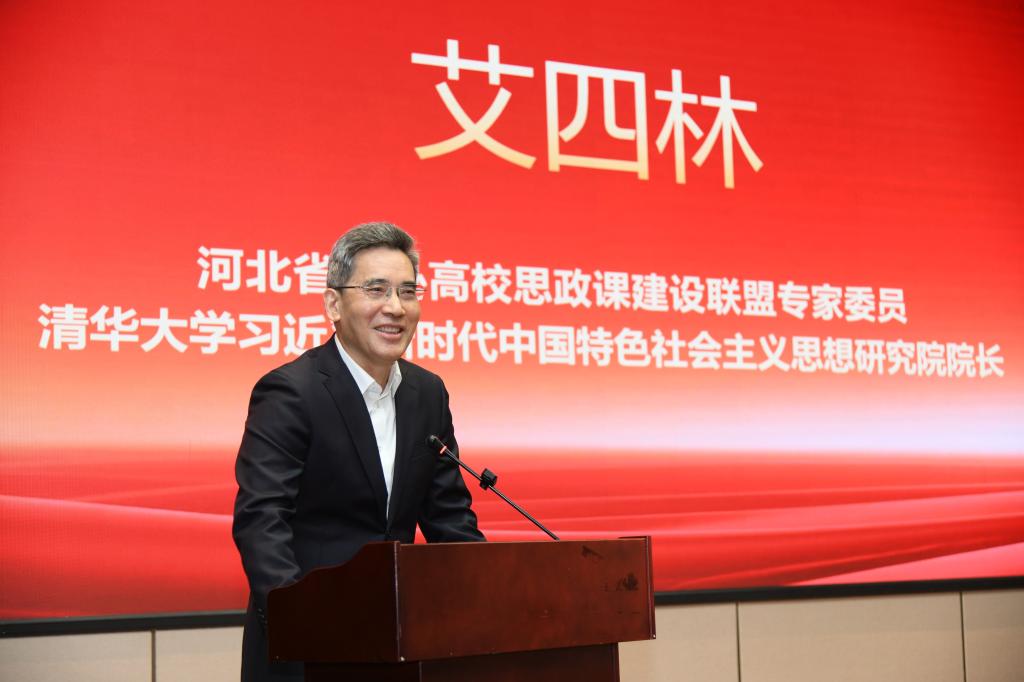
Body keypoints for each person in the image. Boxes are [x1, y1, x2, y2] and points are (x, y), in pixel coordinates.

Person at [232, 222, 485, 682]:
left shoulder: (427, 393)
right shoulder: (291, 392)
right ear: (334, 304)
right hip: (308, 649)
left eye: (407, 292)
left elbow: (449, 518)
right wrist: (299, 622)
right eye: (376, 290)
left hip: (399, 644)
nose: (395, 308)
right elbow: (261, 521)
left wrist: (494, 594)